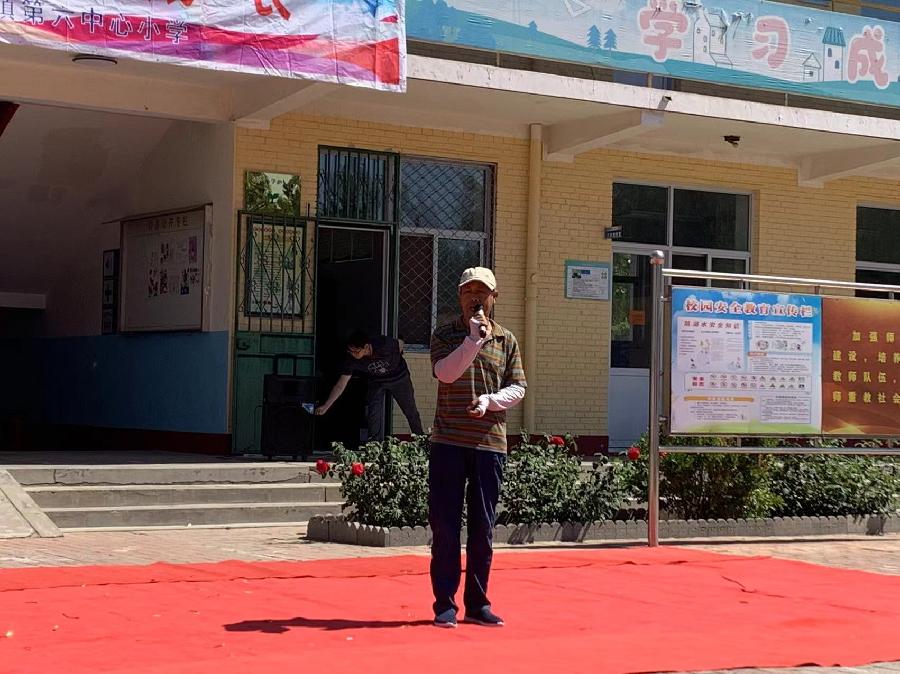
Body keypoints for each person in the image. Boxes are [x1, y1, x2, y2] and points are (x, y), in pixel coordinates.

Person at [428, 267, 527, 629]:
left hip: (489, 444)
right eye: (469, 291)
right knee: (445, 526)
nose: (476, 298)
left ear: (494, 298)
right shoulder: (444, 334)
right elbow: (445, 373)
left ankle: (478, 604)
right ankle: (445, 604)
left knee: (483, 527)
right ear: (459, 297)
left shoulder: (506, 340)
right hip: (449, 442)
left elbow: (518, 388)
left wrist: (489, 401)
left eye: (482, 292)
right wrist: (472, 340)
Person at [315, 330, 424, 441]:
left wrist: (398, 352)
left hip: (399, 377)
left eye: (356, 351)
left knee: (410, 410)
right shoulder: (351, 360)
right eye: (350, 351)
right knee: (373, 413)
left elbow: (400, 342)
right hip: (376, 380)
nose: (353, 354)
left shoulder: (382, 343)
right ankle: (374, 444)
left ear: (366, 347)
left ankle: (420, 440)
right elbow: (340, 385)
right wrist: (326, 406)